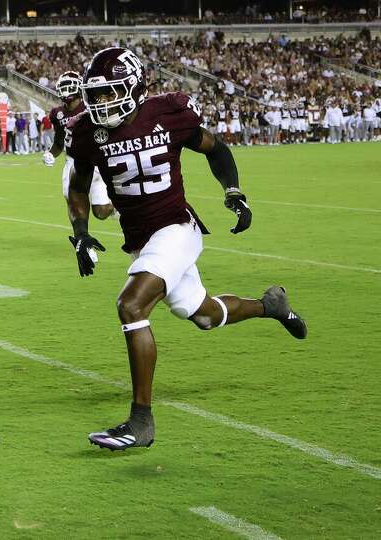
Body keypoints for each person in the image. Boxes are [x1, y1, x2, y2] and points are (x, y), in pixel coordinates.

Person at [65, 47, 307, 451]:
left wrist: (233, 190)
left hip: (176, 227)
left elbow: (216, 147)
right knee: (203, 314)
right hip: (141, 239)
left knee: (131, 306)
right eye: (98, 94)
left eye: (111, 93)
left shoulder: (168, 112)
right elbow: (77, 185)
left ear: (135, 87)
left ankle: (141, 420)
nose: (102, 103)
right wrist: (81, 231)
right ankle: (272, 306)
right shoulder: (88, 131)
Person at [43, 71, 114, 220]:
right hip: (72, 160)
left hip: (94, 160)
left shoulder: (90, 108)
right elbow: (59, 142)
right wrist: (50, 153)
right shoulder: (57, 113)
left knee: (101, 212)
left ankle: (116, 203)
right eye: (63, 87)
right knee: (72, 200)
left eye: (68, 86)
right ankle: (82, 236)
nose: (65, 91)